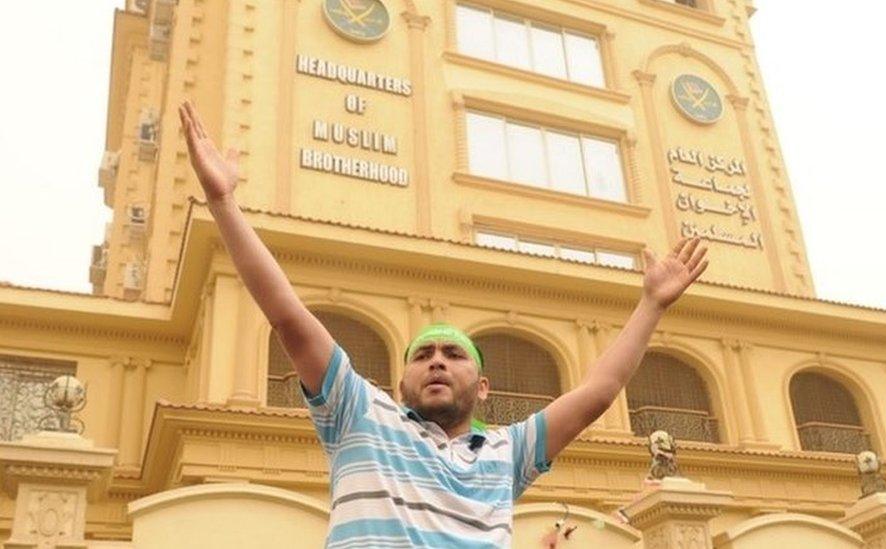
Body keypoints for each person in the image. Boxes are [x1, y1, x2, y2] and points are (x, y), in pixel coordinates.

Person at [178, 100, 708, 548]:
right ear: (398, 383)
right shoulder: (360, 415)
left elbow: (599, 392)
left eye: (453, 356)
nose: (436, 360)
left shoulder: (509, 454)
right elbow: (288, 316)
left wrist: (651, 305)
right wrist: (223, 203)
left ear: (482, 389)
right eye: (423, 354)